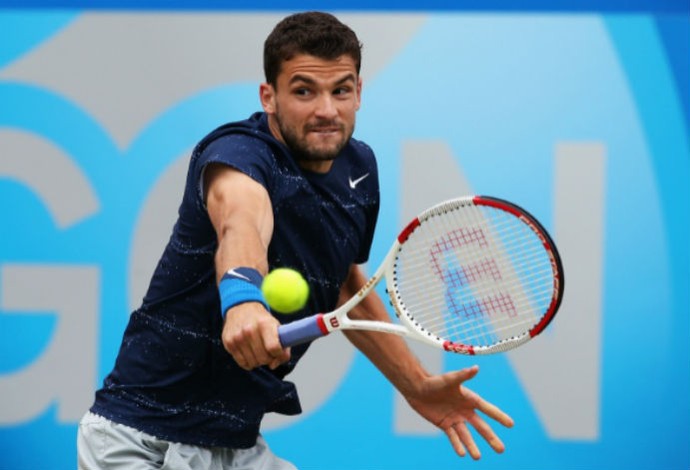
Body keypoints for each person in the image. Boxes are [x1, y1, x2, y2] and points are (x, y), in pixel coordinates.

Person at [77, 11, 514, 469]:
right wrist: (244, 298)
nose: (326, 110)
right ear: (269, 97)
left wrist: (416, 384)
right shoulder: (237, 155)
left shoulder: (359, 171)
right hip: (142, 439)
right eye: (304, 91)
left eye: (340, 90)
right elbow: (240, 221)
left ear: (359, 92)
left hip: (238, 446)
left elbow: (346, 285)